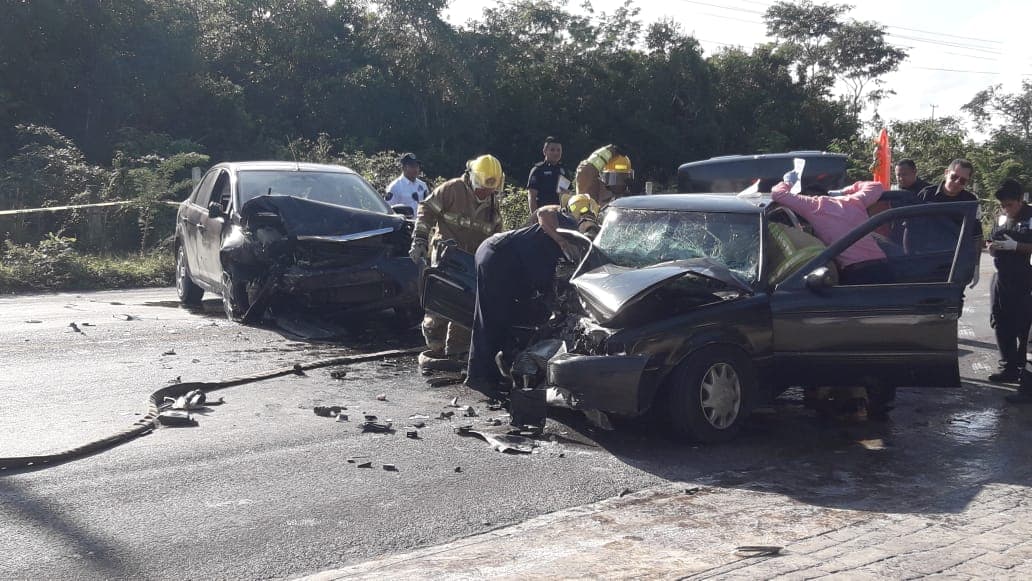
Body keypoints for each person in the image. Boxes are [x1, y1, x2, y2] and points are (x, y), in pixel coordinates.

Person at [465, 194, 600, 396]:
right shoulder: (563, 220)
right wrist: (561, 240)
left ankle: (501, 373)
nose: (589, 229)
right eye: (588, 223)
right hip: (497, 256)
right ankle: (478, 377)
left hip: (512, 266)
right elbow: (543, 213)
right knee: (491, 318)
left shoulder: (578, 239)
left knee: (514, 318)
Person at [410, 154, 505, 372]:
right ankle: (435, 347)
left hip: (470, 263)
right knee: (441, 307)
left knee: (465, 308)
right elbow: (426, 210)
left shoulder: (492, 203)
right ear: (473, 179)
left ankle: (457, 352)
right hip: (446, 257)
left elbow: (496, 237)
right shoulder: (452, 189)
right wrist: (420, 239)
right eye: (482, 188)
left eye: (490, 189)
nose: (486, 193)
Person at [771, 176, 890, 284]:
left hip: (856, 273)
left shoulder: (812, 205)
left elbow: (778, 194)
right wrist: (844, 191)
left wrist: (788, 181)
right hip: (883, 267)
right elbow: (876, 186)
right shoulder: (854, 200)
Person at [985, 179, 1032, 391]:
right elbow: (991, 237)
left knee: (1023, 325)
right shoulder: (1002, 216)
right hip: (1001, 276)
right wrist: (992, 246)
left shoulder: (1030, 217)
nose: (1006, 209)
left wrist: (1016, 246)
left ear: (1021, 201)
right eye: (1003, 205)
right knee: (999, 319)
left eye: (1010, 205)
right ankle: (1008, 366)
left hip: (1025, 278)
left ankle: (1025, 370)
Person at [914, 158, 984, 288]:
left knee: (953, 303)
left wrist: (975, 266)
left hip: (955, 261)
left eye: (962, 181)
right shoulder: (926, 195)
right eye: (954, 177)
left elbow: (976, 236)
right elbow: (909, 229)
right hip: (925, 260)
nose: (957, 182)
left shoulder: (970, 201)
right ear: (946, 173)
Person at [527, 136, 570, 215]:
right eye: (552, 150)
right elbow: (532, 197)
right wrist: (535, 216)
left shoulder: (563, 170)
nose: (556, 153)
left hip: (560, 214)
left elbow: (566, 194)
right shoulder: (538, 170)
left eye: (558, 150)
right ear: (544, 151)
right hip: (543, 214)